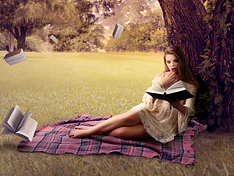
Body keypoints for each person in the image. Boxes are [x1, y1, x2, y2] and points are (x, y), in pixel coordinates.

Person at [69, 45, 199, 143]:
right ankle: (89, 131)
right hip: (149, 110)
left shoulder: (190, 83)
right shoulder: (161, 76)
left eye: (175, 61)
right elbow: (147, 100)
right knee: (125, 118)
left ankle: (94, 132)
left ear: (181, 60)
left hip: (164, 122)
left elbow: (190, 110)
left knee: (120, 132)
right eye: (168, 62)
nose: (172, 65)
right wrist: (161, 85)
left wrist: (177, 106)